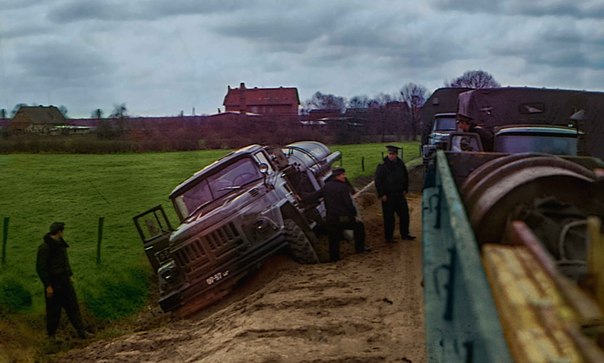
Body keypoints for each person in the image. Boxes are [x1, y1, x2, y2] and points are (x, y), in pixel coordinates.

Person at [36, 222, 92, 339]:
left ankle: (81, 332)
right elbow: (41, 268)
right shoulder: (45, 248)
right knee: (53, 311)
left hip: (65, 281)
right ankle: (51, 337)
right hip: (54, 283)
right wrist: (48, 285)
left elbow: (65, 262)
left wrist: (69, 275)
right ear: (59, 232)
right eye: (63, 231)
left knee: (73, 306)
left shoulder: (60, 244)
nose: (63, 233)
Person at [310, 167, 369, 262]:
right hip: (343, 217)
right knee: (359, 226)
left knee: (333, 238)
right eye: (343, 175)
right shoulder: (343, 187)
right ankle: (360, 248)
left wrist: (302, 197)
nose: (344, 177)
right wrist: (354, 214)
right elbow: (348, 203)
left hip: (331, 218)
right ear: (337, 176)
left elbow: (314, 196)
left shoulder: (326, 187)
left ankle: (334, 258)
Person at [375, 145, 416, 243]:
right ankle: (389, 238)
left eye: (393, 154)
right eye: (390, 154)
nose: (391, 156)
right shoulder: (383, 165)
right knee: (389, 218)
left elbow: (405, 177)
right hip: (388, 196)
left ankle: (405, 234)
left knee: (404, 215)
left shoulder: (400, 164)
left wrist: (405, 189)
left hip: (399, 194)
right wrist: (381, 194)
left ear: (396, 155)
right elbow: (378, 181)